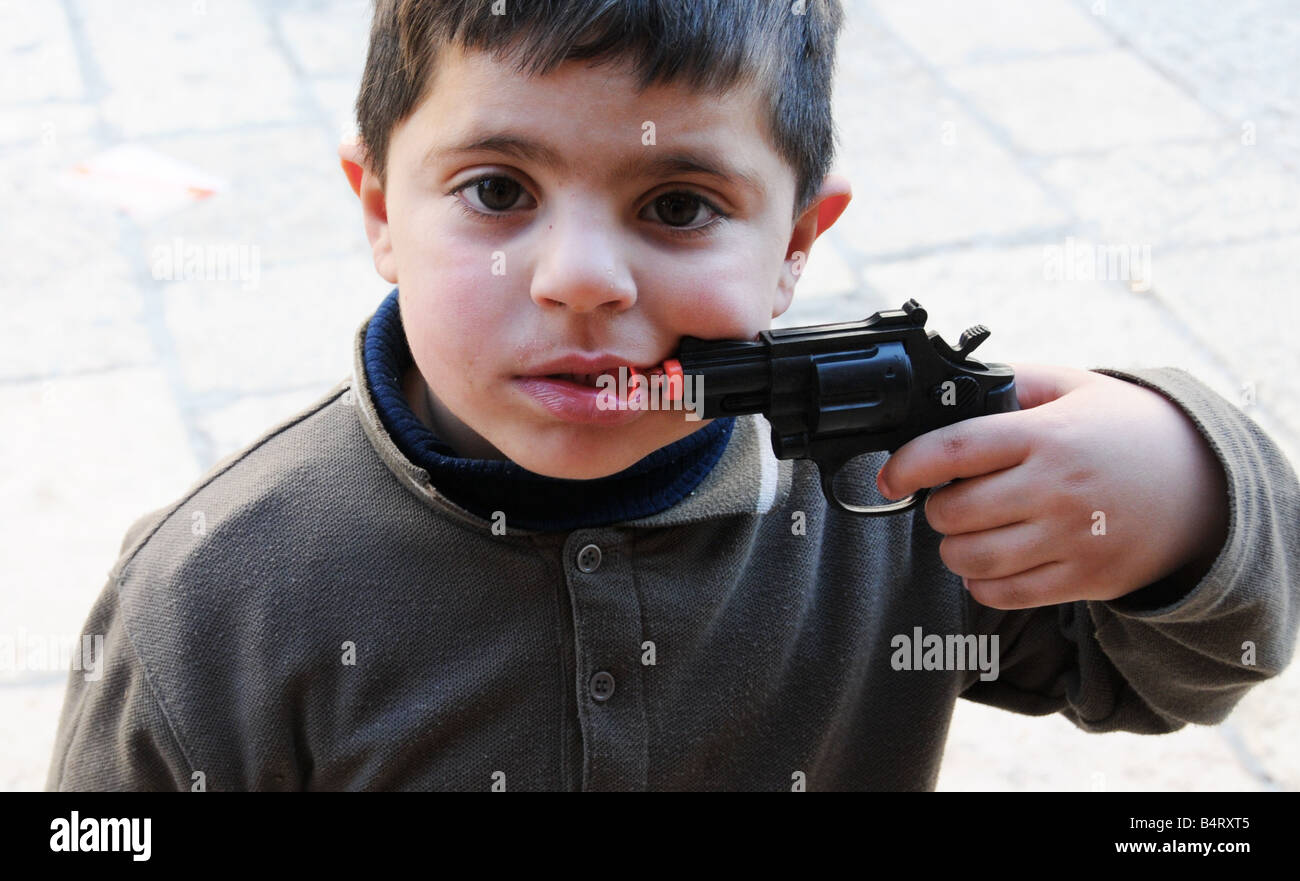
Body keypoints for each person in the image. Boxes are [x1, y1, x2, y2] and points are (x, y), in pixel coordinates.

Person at [46, 0, 1299, 791]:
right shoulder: (215, 593)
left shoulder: (903, 489)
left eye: (678, 206)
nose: (582, 279)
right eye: (496, 189)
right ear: (379, 210)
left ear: (799, 242)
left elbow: (1171, 674)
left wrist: (1189, 492)